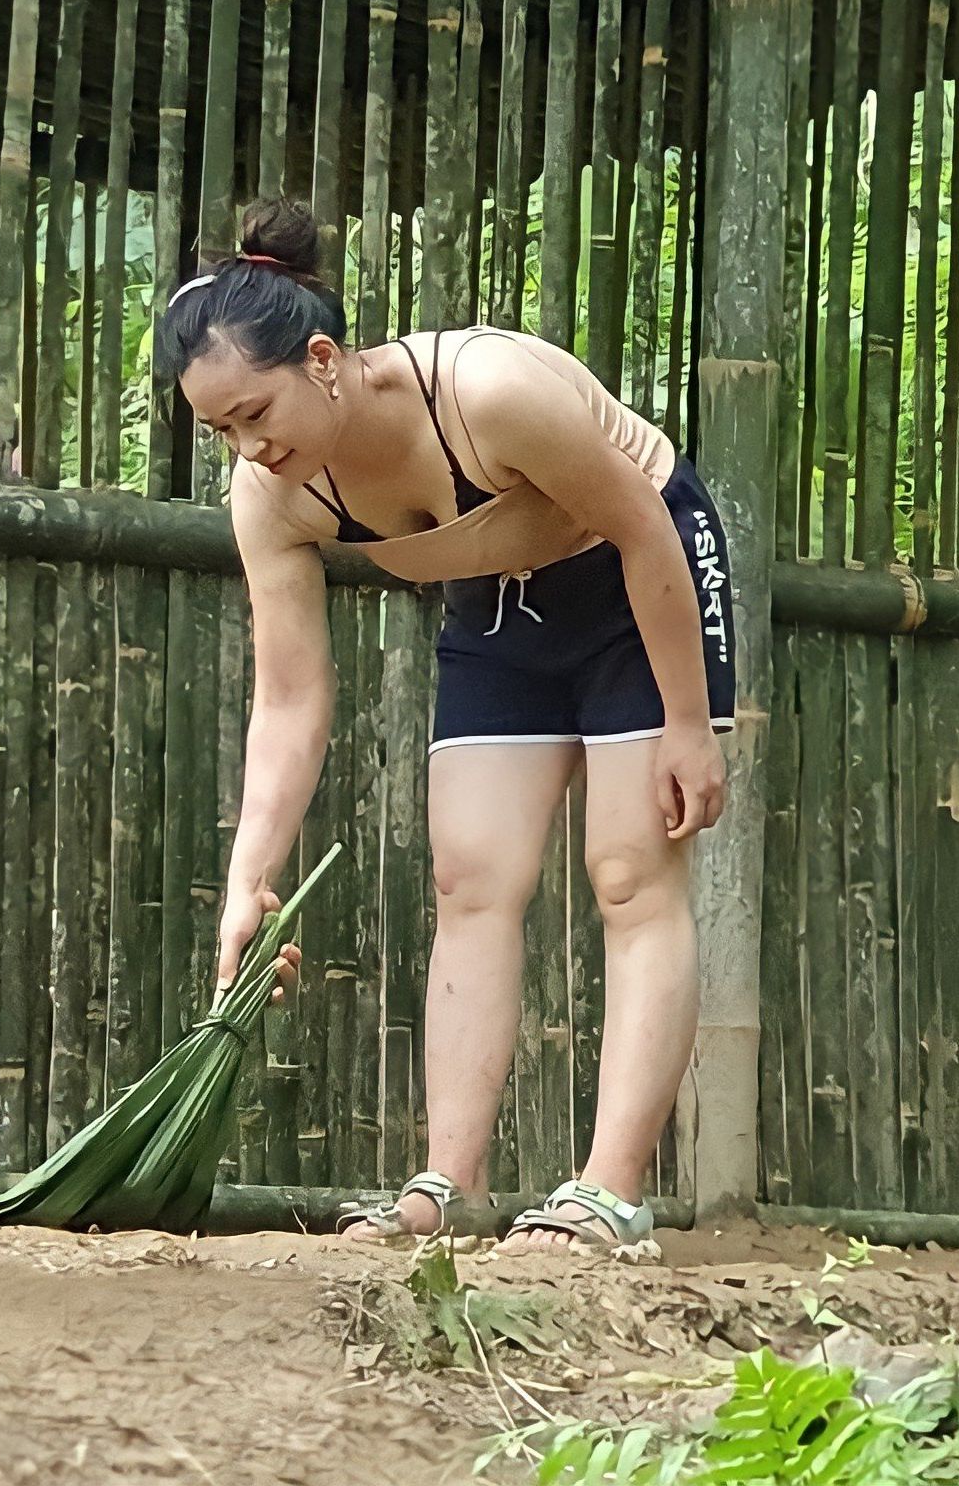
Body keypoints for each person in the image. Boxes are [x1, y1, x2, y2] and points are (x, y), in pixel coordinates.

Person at [168, 198, 734, 1256]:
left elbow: (642, 528)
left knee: (627, 873)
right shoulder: (270, 498)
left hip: (633, 584)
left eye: (255, 412)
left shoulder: (490, 394)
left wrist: (689, 723)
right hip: (499, 603)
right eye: (222, 430)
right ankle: (444, 1189)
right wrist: (251, 875)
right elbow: (288, 699)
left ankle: (604, 1195)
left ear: (322, 359)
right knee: (468, 879)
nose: (248, 446)